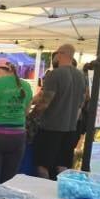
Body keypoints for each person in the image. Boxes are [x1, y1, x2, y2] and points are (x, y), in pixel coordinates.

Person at [32, 44, 86, 179]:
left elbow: (45, 103)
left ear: (61, 54)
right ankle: (61, 192)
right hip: (71, 128)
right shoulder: (81, 76)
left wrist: (31, 116)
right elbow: (83, 101)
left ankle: (43, 192)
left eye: (55, 53)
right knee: (62, 164)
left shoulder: (54, 74)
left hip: (51, 127)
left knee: (43, 164)